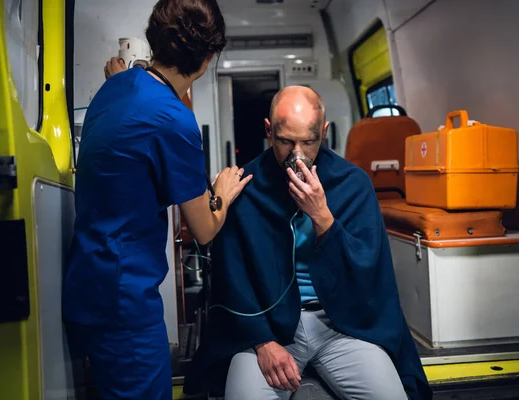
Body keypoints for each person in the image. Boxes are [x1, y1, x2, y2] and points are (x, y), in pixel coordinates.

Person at [183, 86, 432, 400]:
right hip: (269, 328)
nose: (297, 153)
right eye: (286, 141)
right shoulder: (245, 186)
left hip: (341, 325)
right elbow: (231, 277)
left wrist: (323, 217)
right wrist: (262, 343)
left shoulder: (353, 184)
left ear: (324, 132)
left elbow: (368, 273)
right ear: (268, 131)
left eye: (309, 141)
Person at [62, 1, 251, 399]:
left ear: (154, 39)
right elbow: (203, 228)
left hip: (86, 284)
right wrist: (223, 193)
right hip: (125, 304)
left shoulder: (115, 87)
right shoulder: (174, 120)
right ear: (208, 58)